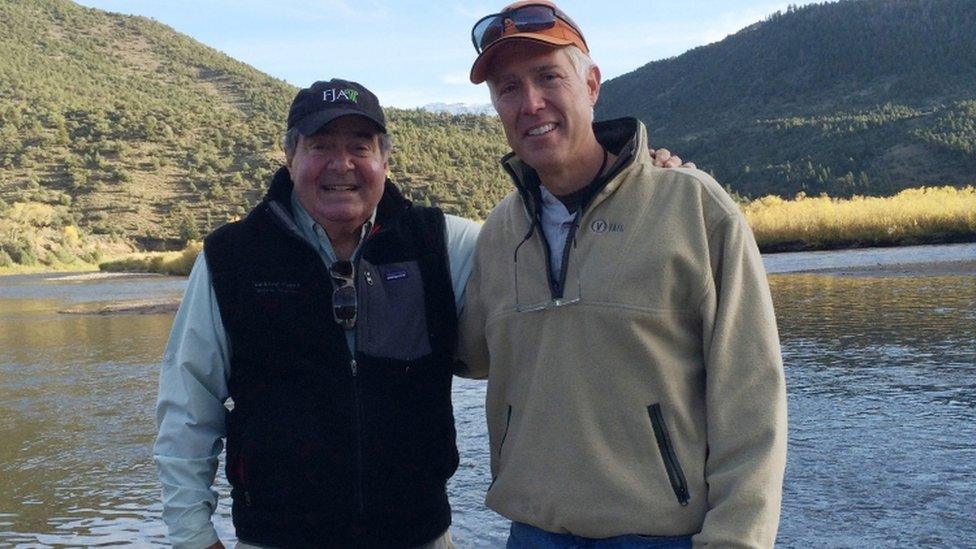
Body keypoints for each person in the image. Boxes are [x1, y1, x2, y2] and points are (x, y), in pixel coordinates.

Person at [457, 2, 788, 548]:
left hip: (662, 535)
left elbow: (751, 396)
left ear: (591, 85)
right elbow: (469, 353)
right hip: (534, 533)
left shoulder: (693, 206)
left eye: (548, 77)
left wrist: (737, 539)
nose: (530, 102)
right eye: (508, 88)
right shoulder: (498, 233)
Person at [153, 79, 480, 548]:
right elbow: (187, 402)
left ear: (385, 159)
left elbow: (531, 252)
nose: (340, 164)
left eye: (359, 147)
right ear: (291, 157)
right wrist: (191, 533)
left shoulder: (443, 244)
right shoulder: (231, 256)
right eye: (321, 145)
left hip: (418, 535)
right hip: (277, 537)